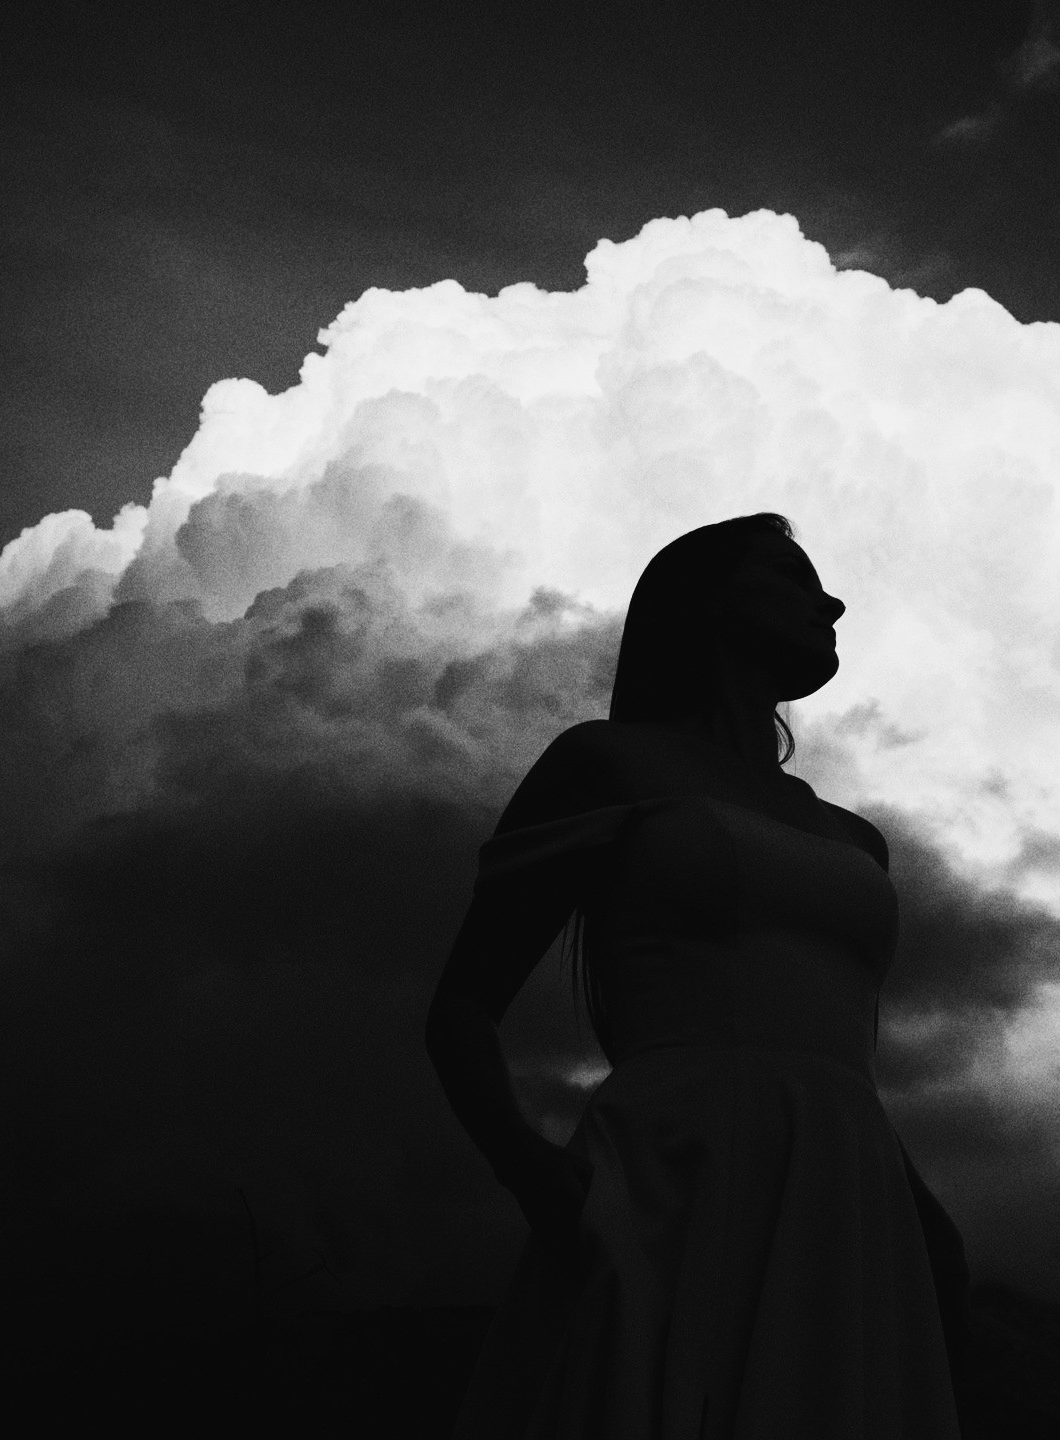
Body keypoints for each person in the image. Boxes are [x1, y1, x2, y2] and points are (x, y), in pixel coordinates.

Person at [425, 513, 970, 1438]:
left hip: (848, 1190)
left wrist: (921, 1214)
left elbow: (845, 1054)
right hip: (672, 1166)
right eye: (794, 578)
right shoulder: (606, 762)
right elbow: (463, 1006)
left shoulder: (856, 839)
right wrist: (530, 1171)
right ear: (706, 602)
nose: (831, 603)